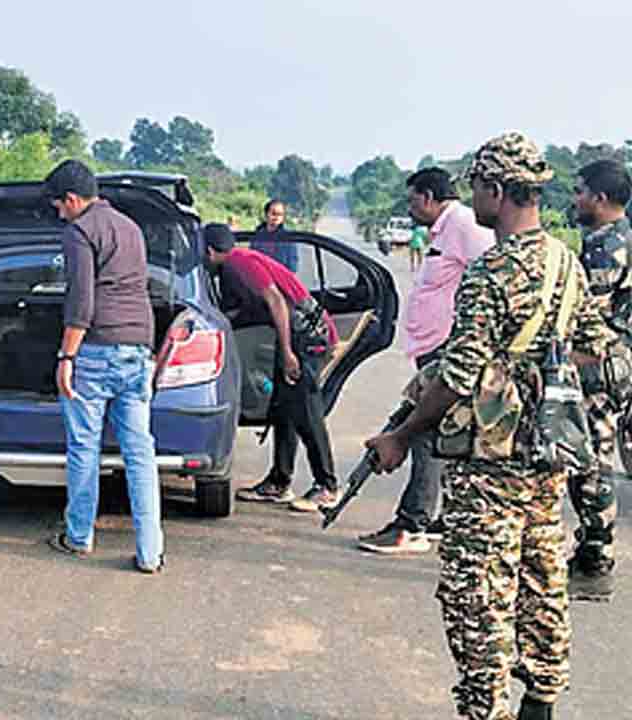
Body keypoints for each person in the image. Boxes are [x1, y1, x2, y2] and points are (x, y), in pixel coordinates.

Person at [367, 132, 612, 720]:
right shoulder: (565, 261)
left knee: (478, 598)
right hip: (548, 454)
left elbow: (459, 373)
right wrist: (536, 369)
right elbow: (594, 348)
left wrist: (403, 435)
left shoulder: (491, 271)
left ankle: (488, 711)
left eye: (477, 186)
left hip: (491, 463)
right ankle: (543, 700)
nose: (472, 196)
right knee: (541, 576)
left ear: (497, 191)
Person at [358, 168, 493, 554]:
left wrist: (462, 338)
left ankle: (411, 523)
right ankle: (435, 519)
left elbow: (493, 271)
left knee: (423, 433)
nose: (410, 207)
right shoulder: (442, 231)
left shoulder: (464, 225)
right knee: (437, 434)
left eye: (413, 199)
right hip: (432, 350)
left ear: (431, 197)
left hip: (450, 352)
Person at [43, 159, 165, 574]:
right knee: (140, 452)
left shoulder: (79, 231)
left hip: (96, 351)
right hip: (138, 348)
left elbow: (82, 301)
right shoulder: (130, 227)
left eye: (59, 205)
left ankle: (78, 537)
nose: (59, 213)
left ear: (73, 200)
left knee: (83, 447)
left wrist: (66, 357)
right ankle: (151, 552)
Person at [209, 224, 341, 513]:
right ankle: (279, 482)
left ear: (209, 252)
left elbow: (276, 303)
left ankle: (327, 486)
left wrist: (287, 352)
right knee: (283, 410)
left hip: (305, 338)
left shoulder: (238, 265)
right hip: (302, 334)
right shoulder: (242, 260)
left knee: (307, 412)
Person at [568, 158, 632, 601]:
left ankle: (595, 560)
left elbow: (591, 313)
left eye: (580, 191)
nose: (576, 200)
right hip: (622, 360)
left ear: (600, 198)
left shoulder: (604, 245)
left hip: (600, 362)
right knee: (596, 455)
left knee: (590, 462)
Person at [251, 199, 299, 272]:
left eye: (280, 214)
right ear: (266, 214)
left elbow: (292, 268)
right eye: (273, 213)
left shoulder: (288, 239)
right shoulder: (257, 237)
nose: (276, 217)